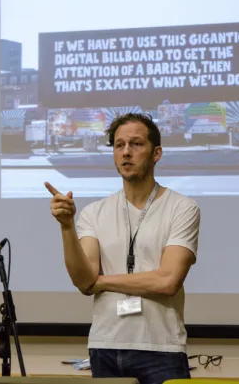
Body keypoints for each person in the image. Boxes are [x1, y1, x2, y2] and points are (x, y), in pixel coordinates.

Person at [45, 112, 201, 384]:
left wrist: (102, 281)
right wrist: (67, 226)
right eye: (119, 145)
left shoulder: (182, 207)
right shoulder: (94, 212)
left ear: (157, 153)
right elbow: (83, 281)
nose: (126, 152)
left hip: (160, 349)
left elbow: (167, 281)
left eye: (136, 144)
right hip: (104, 346)